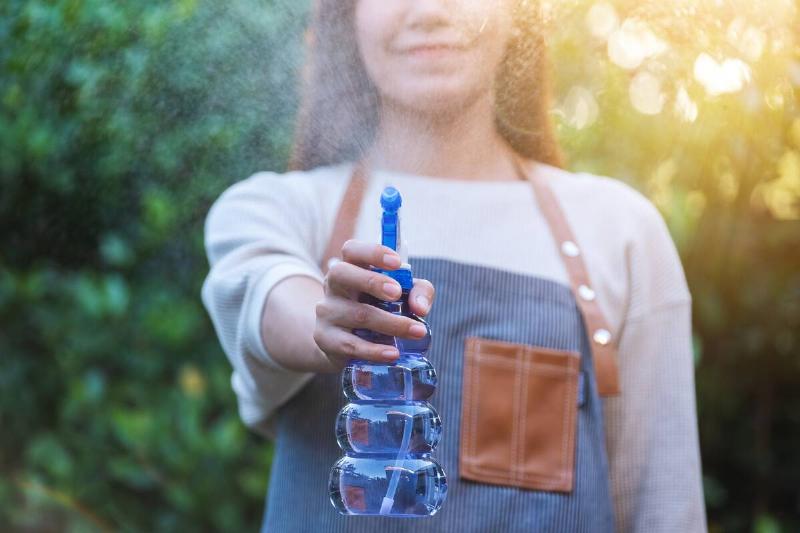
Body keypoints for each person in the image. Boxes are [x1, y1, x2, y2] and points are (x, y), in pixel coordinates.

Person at [200, 0, 707, 531]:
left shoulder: (619, 231)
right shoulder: (274, 211)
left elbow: (664, 508)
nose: (429, 9)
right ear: (344, 16)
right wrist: (328, 324)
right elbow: (271, 298)